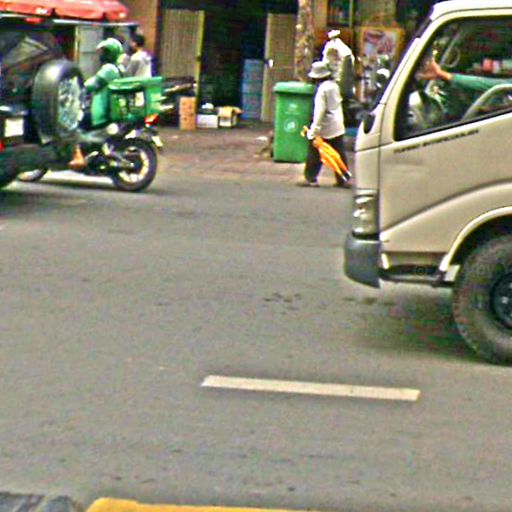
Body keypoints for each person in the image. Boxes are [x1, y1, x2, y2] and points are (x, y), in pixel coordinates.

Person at [69, 38, 124, 169]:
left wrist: (77, 86)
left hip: (101, 110)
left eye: (104, 52)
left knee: (72, 124)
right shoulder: (118, 68)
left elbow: (93, 84)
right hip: (108, 108)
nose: (101, 55)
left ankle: (78, 156)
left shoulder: (108, 69)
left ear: (110, 53)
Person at [297, 61, 351, 188]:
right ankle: (343, 178)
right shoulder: (334, 86)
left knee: (314, 152)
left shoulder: (322, 90)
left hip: (325, 126)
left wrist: (314, 130)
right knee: (338, 153)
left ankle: (311, 178)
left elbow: (319, 111)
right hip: (337, 124)